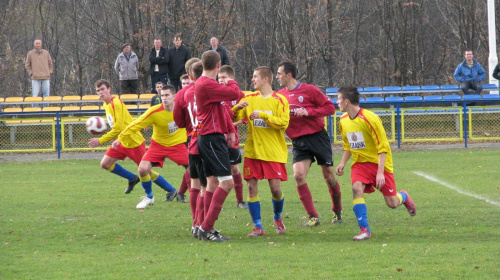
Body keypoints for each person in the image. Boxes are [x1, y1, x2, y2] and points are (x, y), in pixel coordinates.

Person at [334, 85, 416, 241]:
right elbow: (348, 145)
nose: (336, 102)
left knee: (392, 203)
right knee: (356, 188)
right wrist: (343, 162)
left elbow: (383, 146)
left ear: (346, 101)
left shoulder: (370, 118)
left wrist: (380, 173)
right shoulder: (343, 120)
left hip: (380, 163)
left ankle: (404, 197)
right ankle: (365, 230)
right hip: (360, 164)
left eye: (338, 99)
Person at [276, 61, 343, 227]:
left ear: (288, 75)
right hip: (298, 142)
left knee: (328, 176)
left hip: (317, 137)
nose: (277, 77)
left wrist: (309, 112)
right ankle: (313, 216)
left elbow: (330, 108)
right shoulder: (280, 96)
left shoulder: (309, 90)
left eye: (279, 73)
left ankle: (337, 210)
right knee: (298, 176)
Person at [88, 80, 174, 201]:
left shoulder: (115, 103)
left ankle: (171, 189)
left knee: (146, 170)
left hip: (133, 141)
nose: (100, 93)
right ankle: (132, 178)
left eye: (102, 89)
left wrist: (100, 140)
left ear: (109, 89)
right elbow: (120, 123)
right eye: (98, 91)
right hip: (122, 141)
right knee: (105, 164)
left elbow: (117, 128)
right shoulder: (105, 104)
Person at [233, 66, 290, 237]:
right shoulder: (248, 98)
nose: (252, 79)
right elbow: (231, 119)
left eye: (255, 76)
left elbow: (283, 123)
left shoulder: (280, 100)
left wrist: (264, 116)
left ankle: (277, 218)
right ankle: (258, 226)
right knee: (251, 187)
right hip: (253, 151)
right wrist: (236, 109)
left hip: (273, 152)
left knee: (276, 190)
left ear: (266, 79)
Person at [112, 84, 188, 209]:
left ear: (174, 96)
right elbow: (136, 124)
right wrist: (120, 138)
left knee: (194, 171)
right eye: (162, 95)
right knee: (142, 169)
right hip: (158, 145)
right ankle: (149, 197)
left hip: (178, 145)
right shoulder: (154, 111)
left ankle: (202, 198)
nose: (164, 98)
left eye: (167, 95)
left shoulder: (183, 109)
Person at [195, 50, 241, 242]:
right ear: (218, 65)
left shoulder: (208, 84)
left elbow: (222, 109)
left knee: (212, 182)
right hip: (211, 139)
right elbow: (235, 94)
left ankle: (202, 227)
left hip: (212, 137)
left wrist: (230, 128)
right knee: (227, 182)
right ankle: (206, 227)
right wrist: (230, 80)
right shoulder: (206, 84)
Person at [218, 65, 248, 209]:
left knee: (234, 169)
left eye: (224, 77)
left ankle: (240, 200)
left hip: (231, 137)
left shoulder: (240, 95)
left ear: (232, 78)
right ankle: (217, 200)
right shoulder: (217, 94)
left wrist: (233, 123)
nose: (221, 80)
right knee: (216, 169)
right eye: (219, 78)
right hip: (217, 136)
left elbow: (245, 117)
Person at [172, 58, 201, 204]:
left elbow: (179, 121)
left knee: (192, 170)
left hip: (191, 136)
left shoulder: (182, 94)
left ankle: (184, 195)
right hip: (209, 136)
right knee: (203, 175)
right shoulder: (211, 87)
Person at [25, 39, 53, 105]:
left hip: (46, 77)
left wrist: (50, 71)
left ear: (41, 44)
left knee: (46, 95)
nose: (38, 45)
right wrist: (31, 73)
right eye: (36, 43)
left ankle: (46, 110)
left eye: (39, 43)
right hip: (35, 77)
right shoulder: (30, 53)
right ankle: (35, 110)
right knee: (35, 95)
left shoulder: (46, 53)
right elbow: (27, 65)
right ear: (34, 44)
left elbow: (50, 63)